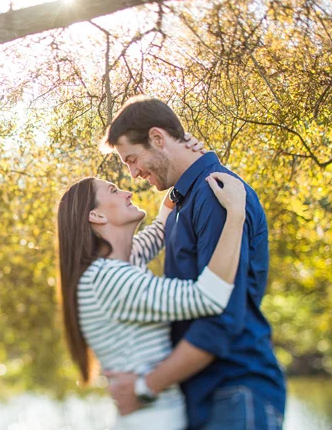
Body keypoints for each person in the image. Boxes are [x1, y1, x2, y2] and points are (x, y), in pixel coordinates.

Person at [101, 96, 286, 430]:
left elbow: (220, 319)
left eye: (132, 158)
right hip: (202, 394)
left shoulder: (218, 194)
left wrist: (146, 386)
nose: (133, 173)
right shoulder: (182, 204)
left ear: (157, 138)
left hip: (235, 389)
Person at [57, 164, 247, 429]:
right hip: (153, 421)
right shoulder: (110, 279)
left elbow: (160, 228)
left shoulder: (116, 266)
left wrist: (182, 175)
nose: (127, 192)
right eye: (113, 190)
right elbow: (208, 297)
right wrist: (236, 214)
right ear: (96, 216)